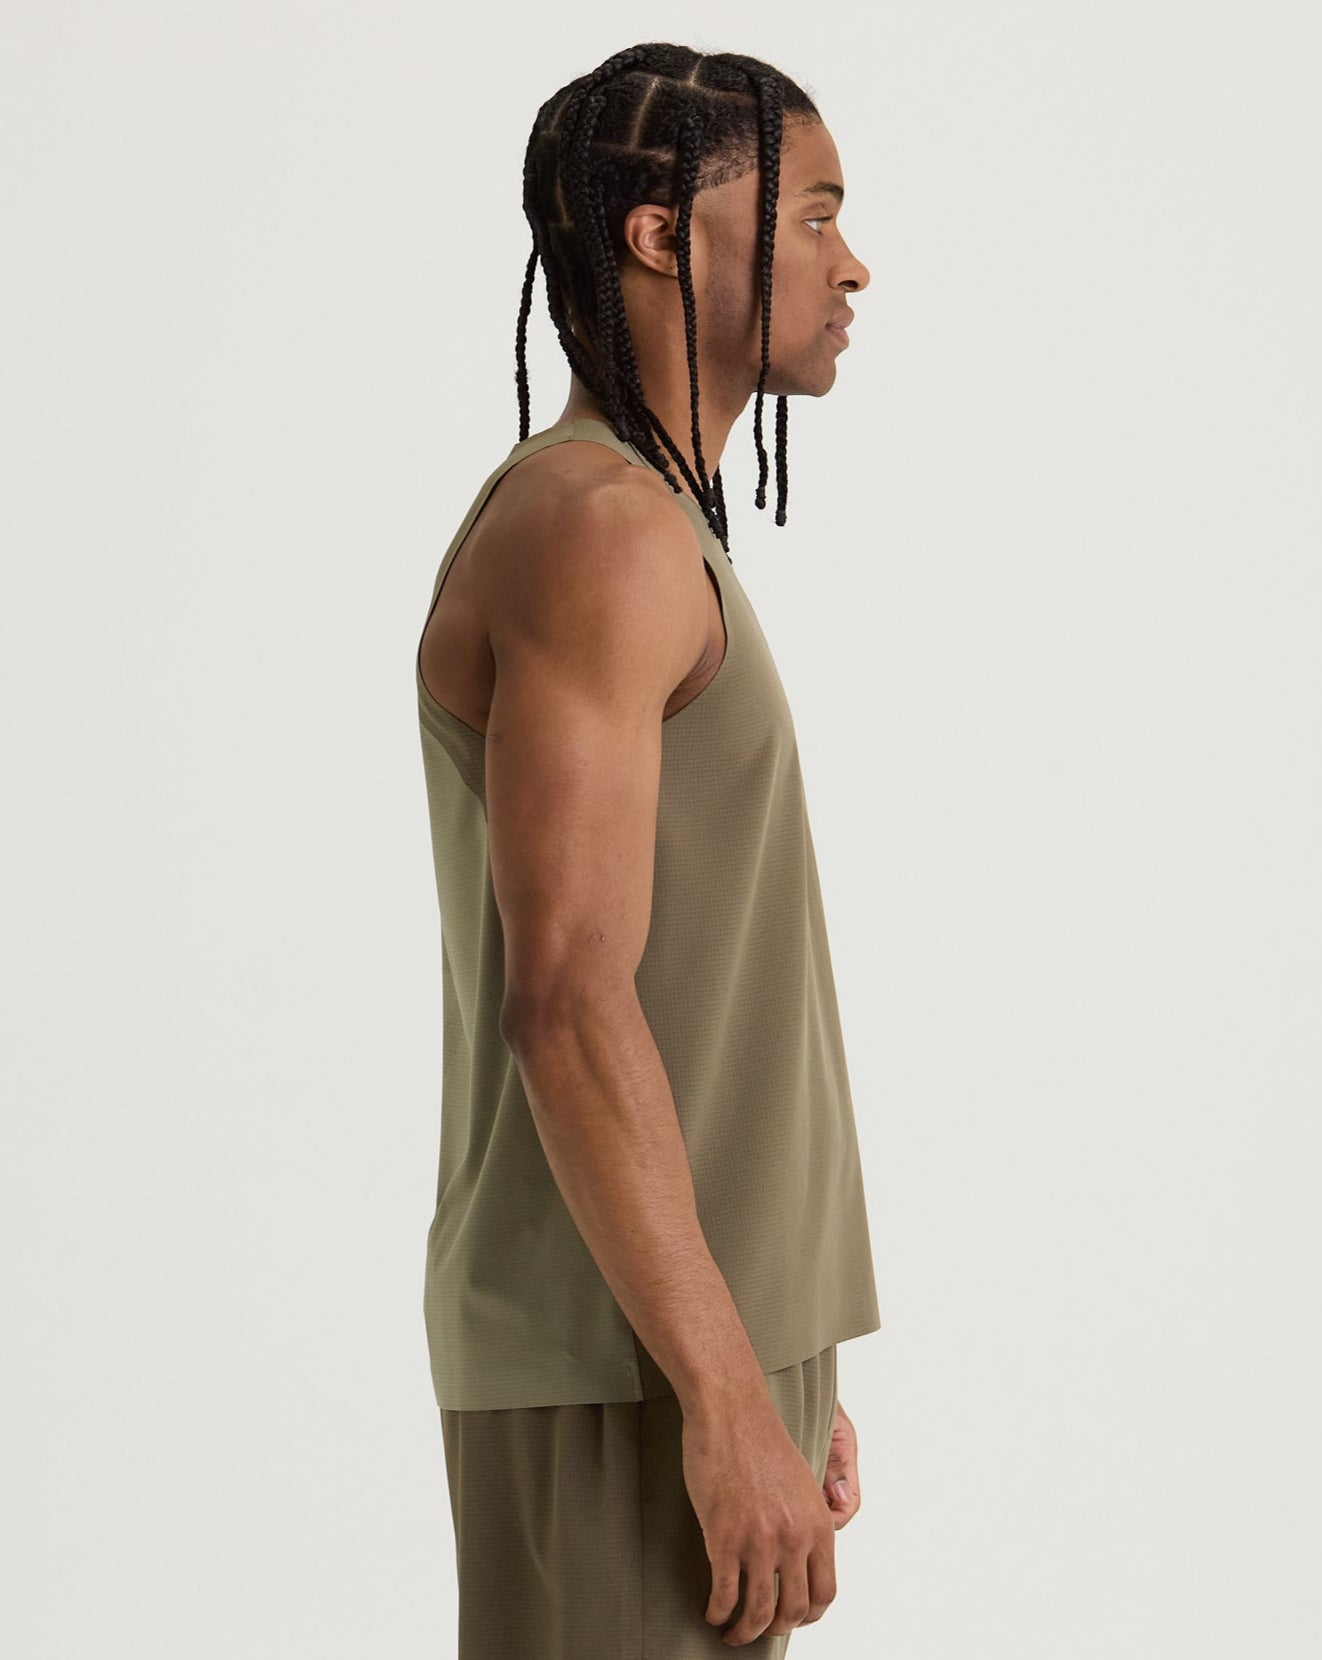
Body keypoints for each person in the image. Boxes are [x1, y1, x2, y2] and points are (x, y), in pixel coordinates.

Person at [414, 42, 880, 1656]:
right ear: (663, 237)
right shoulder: (596, 531)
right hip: (624, 1361)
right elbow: (565, 1000)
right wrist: (720, 1388)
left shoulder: (641, 524)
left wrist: (773, 1356)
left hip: (685, 1338)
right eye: (811, 213)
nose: (851, 263)